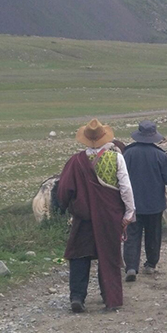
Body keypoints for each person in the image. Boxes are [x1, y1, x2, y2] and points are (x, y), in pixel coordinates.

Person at [57, 119, 136, 313]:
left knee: (79, 255)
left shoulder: (75, 161)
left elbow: (64, 190)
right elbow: (125, 188)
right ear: (104, 137)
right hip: (110, 215)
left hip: (83, 216)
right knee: (109, 255)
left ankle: (77, 297)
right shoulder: (116, 158)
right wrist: (129, 212)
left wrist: (66, 207)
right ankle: (110, 297)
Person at [123, 120, 167, 282]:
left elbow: (120, 180)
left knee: (131, 236)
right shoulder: (161, 156)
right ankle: (150, 265)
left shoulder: (128, 154)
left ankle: (131, 267)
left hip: (132, 204)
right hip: (155, 205)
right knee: (153, 235)